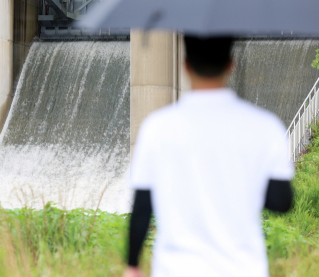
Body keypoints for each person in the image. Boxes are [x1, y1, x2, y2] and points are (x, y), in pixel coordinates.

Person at [124, 36, 294, 277]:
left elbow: (142, 204)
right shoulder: (266, 127)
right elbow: (281, 202)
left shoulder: (157, 127)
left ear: (185, 65)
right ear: (231, 65)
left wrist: (132, 264)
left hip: (176, 270)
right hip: (243, 269)